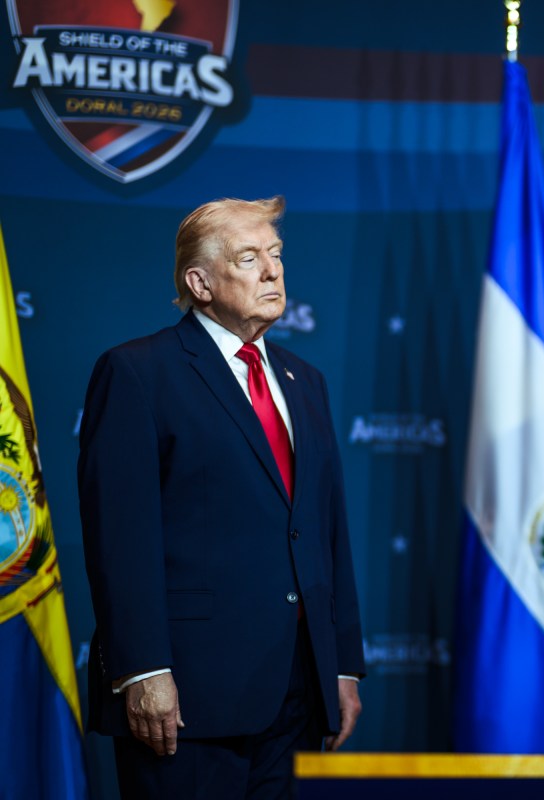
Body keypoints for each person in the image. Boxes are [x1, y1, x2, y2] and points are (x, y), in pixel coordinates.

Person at [78, 196, 366, 798]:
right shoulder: (137, 373)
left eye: (277, 255)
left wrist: (340, 664)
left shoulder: (304, 382)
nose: (273, 271)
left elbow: (325, 531)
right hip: (187, 698)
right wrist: (143, 670)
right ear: (199, 282)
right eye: (250, 258)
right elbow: (120, 539)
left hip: (295, 692)